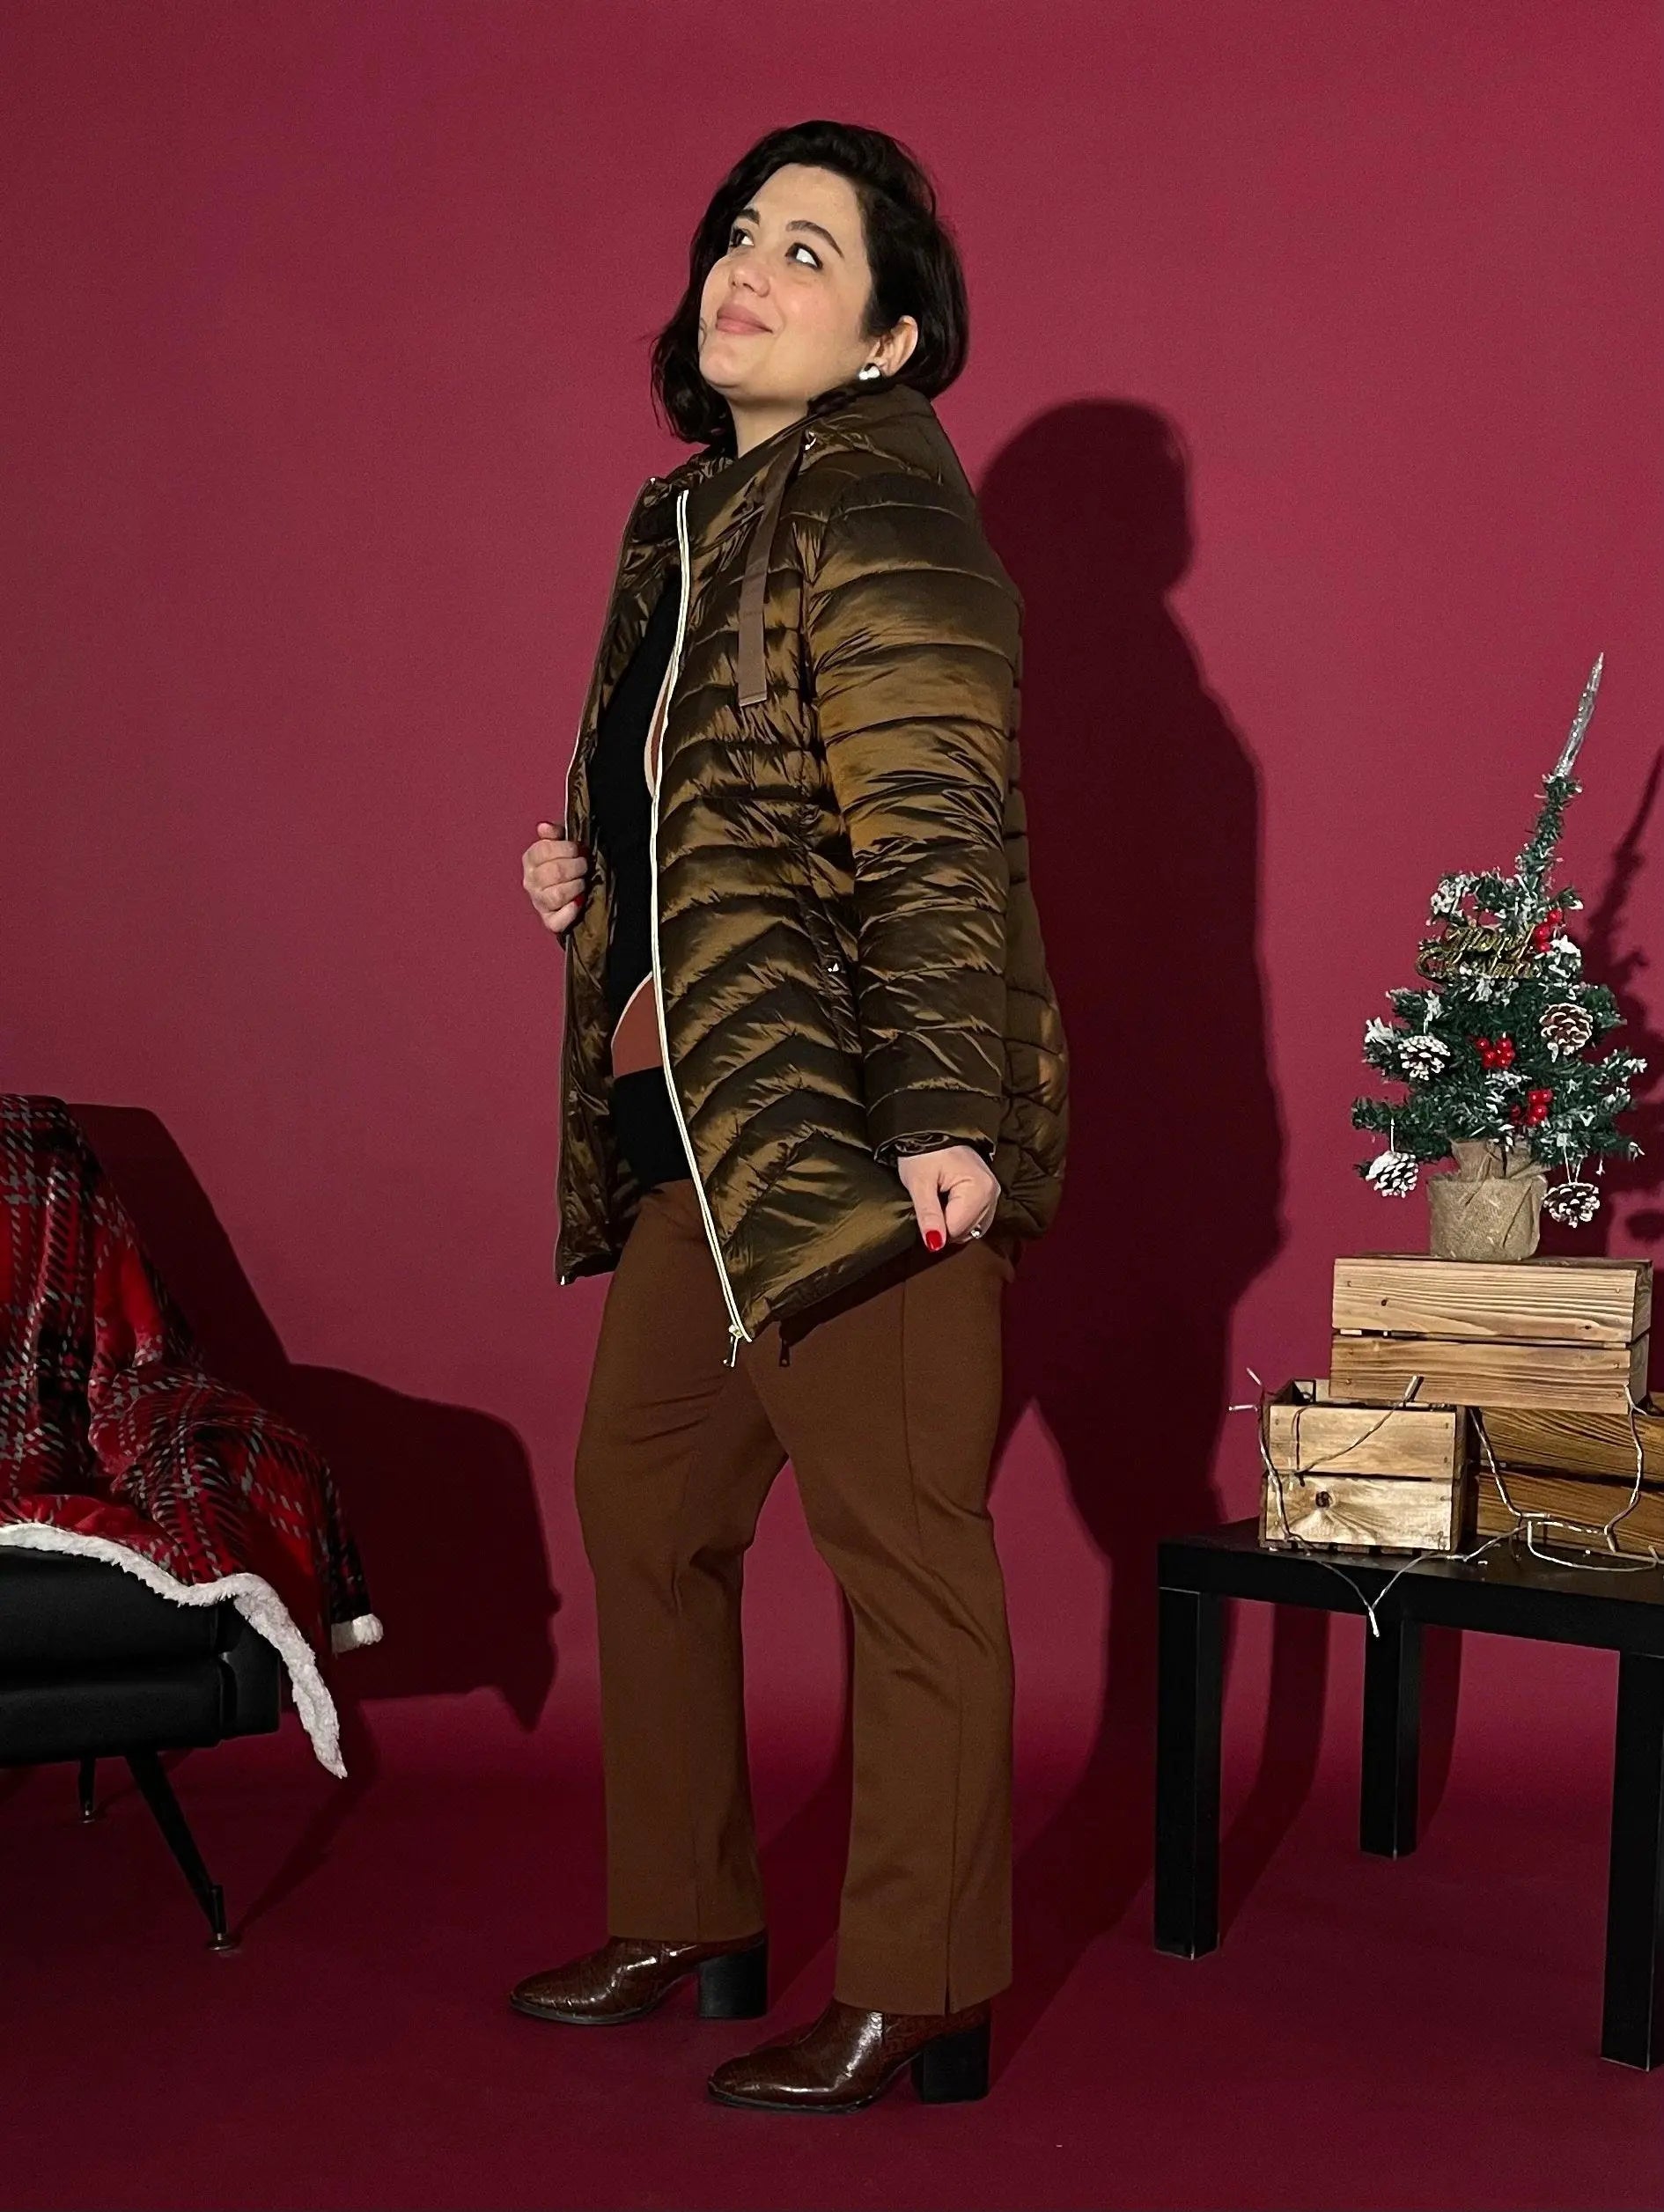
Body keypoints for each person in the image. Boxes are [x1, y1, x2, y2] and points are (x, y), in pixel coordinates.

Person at [513, 119, 1066, 2114]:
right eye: (740, 235)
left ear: (891, 340)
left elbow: (931, 834)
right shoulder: (686, 518)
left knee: (902, 1555)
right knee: (647, 1503)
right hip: (704, 1124)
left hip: (853, 1124)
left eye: (810, 253)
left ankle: (922, 1984)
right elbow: (725, 805)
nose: (747, 270)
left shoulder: (884, 506)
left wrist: (946, 1118)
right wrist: (594, 882)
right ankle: (689, 1911)